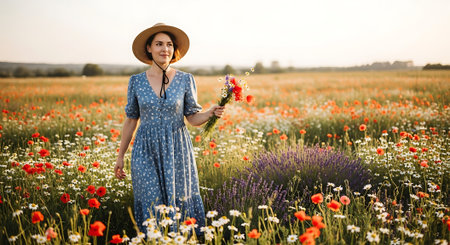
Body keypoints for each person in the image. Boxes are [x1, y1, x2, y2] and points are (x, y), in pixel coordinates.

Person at [114, 23, 224, 235]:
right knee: (150, 200)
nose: (165, 49)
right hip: (145, 150)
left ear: (174, 50)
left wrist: (210, 113)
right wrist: (120, 156)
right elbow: (130, 120)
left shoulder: (185, 79)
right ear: (149, 48)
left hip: (177, 149)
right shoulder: (136, 81)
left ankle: (183, 239)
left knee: (179, 199)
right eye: (159, 44)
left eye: (169, 44)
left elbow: (192, 118)